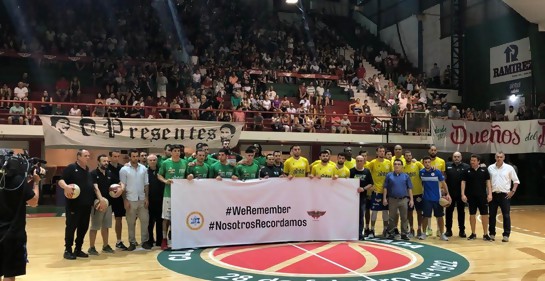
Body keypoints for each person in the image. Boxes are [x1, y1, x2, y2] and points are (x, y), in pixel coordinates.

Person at [0, 155, 40, 280]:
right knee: (10, 273)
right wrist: (36, 183)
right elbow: (34, 202)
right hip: (13, 234)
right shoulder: (19, 181)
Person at [59, 149, 94, 259]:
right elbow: (61, 180)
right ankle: (68, 250)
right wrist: (66, 187)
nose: (88, 157)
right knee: (71, 227)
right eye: (85, 155)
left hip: (86, 205)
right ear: (78, 156)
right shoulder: (71, 168)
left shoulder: (87, 170)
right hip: (74, 205)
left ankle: (78, 249)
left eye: (88, 155)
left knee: (83, 228)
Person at [120, 149, 152, 251]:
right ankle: (132, 242)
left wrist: (146, 197)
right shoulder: (124, 170)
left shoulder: (143, 168)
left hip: (142, 199)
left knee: (145, 221)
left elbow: (146, 184)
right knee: (130, 222)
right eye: (133, 156)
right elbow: (122, 186)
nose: (135, 158)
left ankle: (144, 241)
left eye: (136, 156)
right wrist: (125, 200)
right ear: (130, 157)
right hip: (130, 199)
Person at [88, 154, 120, 255]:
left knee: (105, 226)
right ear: (98, 162)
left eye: (107, 161)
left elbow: (119, 183)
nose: (106, 163)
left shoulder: (109, 173)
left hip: (108, 204)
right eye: (104, 161)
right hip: (98, 203)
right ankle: (91, 247)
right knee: (95, 226)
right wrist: (101, 200)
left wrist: (121, 189)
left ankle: (105, 246)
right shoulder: (93, 173)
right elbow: (95, 188)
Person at [157, 145, 187, 250]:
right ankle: (164, 239)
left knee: (178, 218)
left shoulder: (185, 162)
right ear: (171, 152)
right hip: (168, 194)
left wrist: (190, 176)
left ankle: (177, 238)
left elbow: (188, 176)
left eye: (179, 151)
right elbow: (159, 175)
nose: (177, 153)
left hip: (181, 195)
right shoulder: (166, 163)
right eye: (175, 151)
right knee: (166, 218)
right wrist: (165, 181)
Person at [487, 151, 520, 242]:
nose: (499, 158)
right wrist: (488, 193)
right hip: (493, 195)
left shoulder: (509, 168)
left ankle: (506, 235)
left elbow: (516, 181)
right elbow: (487, 181)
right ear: (495, 157)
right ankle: (492, 234)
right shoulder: (490, 168)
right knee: (492, 215)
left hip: (504, 195)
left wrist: (512, 191)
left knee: (506, 215)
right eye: (497, 157)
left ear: (504, 158)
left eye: (501, 157)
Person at [461, 154, 493, 241]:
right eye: (471, 160)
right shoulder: (466, 171)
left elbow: (488, 183)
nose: (472, 162)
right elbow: (463, 183)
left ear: (478, 161)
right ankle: (473, 233)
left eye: (474, 160)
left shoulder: (484, 170)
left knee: (485, 215)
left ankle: (486, 234)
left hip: (482, 196)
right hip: (471, 197)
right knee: (472, 214)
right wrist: (463, 194)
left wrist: (490, 194)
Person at [419, 156, 450, 241]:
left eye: (429, 162)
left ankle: (442, 234)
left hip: (437, 199)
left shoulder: (437, 172)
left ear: (430, 163)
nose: (427, 164)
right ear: (423, 163)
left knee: (440, 217)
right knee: (425, 217)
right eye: (425, 162)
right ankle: (424, 233)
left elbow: (444, 183)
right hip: (426, 199)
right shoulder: (421, 172)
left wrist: (447, 194)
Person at [383, 159, 414, 240]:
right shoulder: (389, 175)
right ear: (393, 165)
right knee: (392, 217)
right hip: (392, 199)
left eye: (399, 164)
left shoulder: (406, 176)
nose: (397, 165)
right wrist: (384, 199)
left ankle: (404, 233)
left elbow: (409, 188)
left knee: (404, 217)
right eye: (395, 164)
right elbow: (385, 188)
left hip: (403, 199)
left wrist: (411, 200)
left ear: (401, 166)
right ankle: (391, 232)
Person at [366, 146, 392, 238]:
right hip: (376, 191)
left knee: (385, 212)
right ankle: (372, 230)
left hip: (386, 192)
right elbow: (366, 173)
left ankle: (385, 229)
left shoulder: (389, 163)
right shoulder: (372, 163)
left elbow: (392, 176)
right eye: (380, 151)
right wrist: (370, 185)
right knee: (374, 212)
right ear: (377, 153)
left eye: (383, 151)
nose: (382, 153)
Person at [444, 151, 469, 238]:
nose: (456, 158)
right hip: (449, 194)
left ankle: (462, 230)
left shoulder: (466, 167)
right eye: (455, 156)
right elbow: (443, 178)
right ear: (452, 157)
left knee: (461, 212)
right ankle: (448, 230)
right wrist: (445, 192)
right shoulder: (447, 165)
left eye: (458, 157)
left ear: (461, 157)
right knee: (448, 212)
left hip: (461, 194)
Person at [107, 150, 128, 250]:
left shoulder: (122, 168)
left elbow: (124, 181)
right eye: (114, 156)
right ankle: (106, 243)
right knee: (107, 221)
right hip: (108, 198)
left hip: (121, 197)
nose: (116, 158)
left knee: (121, 218)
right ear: (110, 157)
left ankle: (121, 241)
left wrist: (122, 188)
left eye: (118, 156)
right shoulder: (106, 168)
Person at [350, 155, 373, 240]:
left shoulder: (367, 171)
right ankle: (351, 233)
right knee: (351, 216)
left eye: (361, 161)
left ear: (364, 162)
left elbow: (371, 183)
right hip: (351, 198)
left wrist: (363, 189)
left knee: (360, 216)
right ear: (355, 161)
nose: (359, 162)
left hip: (362, 197)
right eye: (358, 161)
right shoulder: (351, 171)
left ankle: (360, 234)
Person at [402, 151, 424, 238]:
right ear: (404, 157)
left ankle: (419, 228)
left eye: (409, 155)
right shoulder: (403, 167)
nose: (408, 157)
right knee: (409, 213)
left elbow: (426, 169)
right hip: (407, 194)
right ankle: (411, 229)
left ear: (412, 156)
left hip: (418, 192)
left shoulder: (417, 164)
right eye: (406, 156)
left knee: (419, 212)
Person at [147, 154, 165, 247]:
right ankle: (150, 240)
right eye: (151, 160)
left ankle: (159, 241)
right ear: (148, 161)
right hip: (149, 200)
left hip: (160, 199)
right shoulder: (145, 171)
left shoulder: (161, 170)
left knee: (159, 222)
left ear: (157, 161)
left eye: (154, 160)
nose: (153, 162)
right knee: (150, 222)